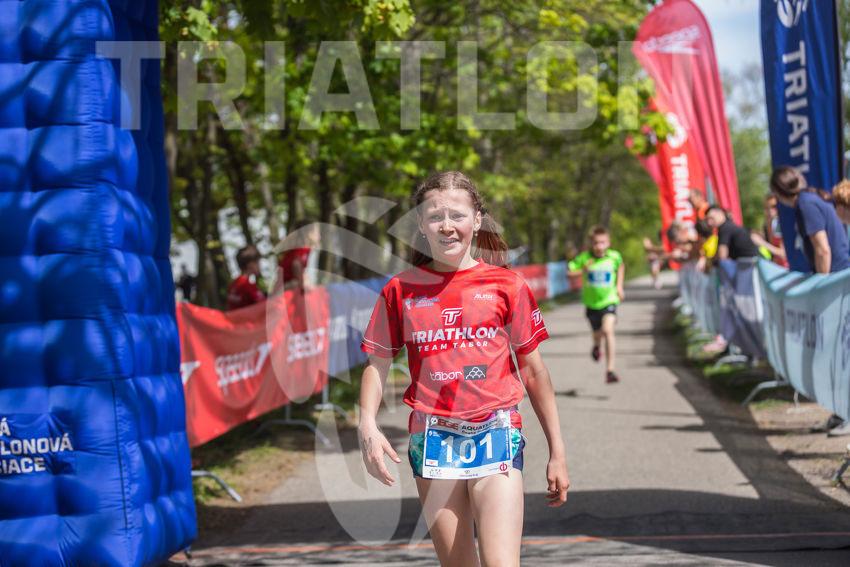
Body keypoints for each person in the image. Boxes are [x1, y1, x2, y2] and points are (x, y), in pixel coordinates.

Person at [358, 171, 569, 566]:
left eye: (457, 215)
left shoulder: (507, 285)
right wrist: (367, 424)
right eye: (435, 216)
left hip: (496, 429)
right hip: (433, 437)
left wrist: (557, 451)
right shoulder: (399, 290)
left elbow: (534, 372)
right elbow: (378, 362)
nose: (447, 226)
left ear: (477, 219)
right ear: (421, 224)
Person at [567, 226, 625, 383]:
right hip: (591, 304)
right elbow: (569, 273)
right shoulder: (584, 258)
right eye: (596, 243)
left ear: (608, 243)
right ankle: (596, 346)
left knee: (608, 330)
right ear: (591, 244)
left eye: (603, 242)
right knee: (597, 334)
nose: (599, 246)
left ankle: (610, 371)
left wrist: (619, 286)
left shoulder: (614, 256)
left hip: (609, 301)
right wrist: (583, 270)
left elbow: (620, 266)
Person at [770, 166, 850, 274]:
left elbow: (822, 250)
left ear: (778, 193)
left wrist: (822, 281)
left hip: (836, 273)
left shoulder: (806, 204)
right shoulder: (810, 198)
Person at [276, 219, 320, 293]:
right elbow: (296, 264)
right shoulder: (302, 249)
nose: (319, 235)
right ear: (309, 234)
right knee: (298, 284)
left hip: (284, 284)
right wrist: (302, 284)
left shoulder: (298, 249)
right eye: (317, 232)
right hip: (284, 286)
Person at [226, 245, 266, 310]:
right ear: (250, 265)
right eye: (258, 262)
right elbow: (265, 306)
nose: (260, 266)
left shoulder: (232, 286)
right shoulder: (248, 286)